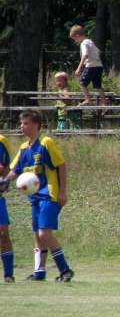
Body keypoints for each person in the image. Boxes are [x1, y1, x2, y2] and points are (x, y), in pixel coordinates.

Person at [7, 109, 74, 282]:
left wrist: (62, 191)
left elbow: (61, 165)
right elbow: (16, 169)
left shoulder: (46, 142)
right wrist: (5, 180)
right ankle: (39, 273)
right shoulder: (24, 147)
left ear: (36, 125)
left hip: (49, 195)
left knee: (44, 234)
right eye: (21, 123)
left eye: (26, 123)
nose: (22, 127)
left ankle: (65, 269)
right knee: (37, 235)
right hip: (35, 197)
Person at [69, 25, 107, 107]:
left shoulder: (83, 43)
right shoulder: (90, 41)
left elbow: (85, 55)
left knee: (82, 83)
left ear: (77, 36)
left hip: (91, 66)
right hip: (98, 65)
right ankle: (105, 105)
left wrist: (79, 68)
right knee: (98, 86)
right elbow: (99, 52)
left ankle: (88, 100)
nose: (76, 41)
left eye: (75, 39)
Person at [0, 135, 14, 283]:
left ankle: (8, 274)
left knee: (3, 233)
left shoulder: (2, 141)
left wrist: (2, 179)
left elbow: (7, 167)